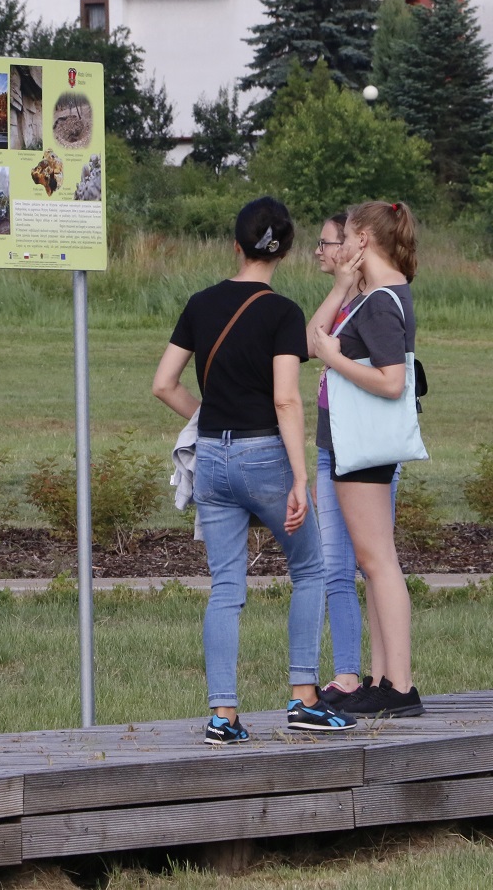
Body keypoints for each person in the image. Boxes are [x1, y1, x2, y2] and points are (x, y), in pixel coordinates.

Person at [152, 196, 357, 744]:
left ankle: (223, 714)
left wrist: (210, 416)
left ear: (235, 246)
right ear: (285, 250)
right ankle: (304, 698)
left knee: (226, 586)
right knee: (310, 570)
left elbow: (163, 384)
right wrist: (299, 476)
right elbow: (287, 401)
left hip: (213, 460)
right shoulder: (283, 313)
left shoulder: (200, 304)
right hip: (264, 453)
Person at [309, 201, 424, 718]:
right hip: (351, 442)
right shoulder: (374, 295)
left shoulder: (381, 301)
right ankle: (382, 679)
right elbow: (315, 339)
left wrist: (336, 360)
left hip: (362, 445)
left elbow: (391, 380)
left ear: (364, 241)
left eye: (348, 236)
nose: (342, 245)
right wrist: (338, 294)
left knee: (379, 562)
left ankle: (399, 686)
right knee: (374, 563)